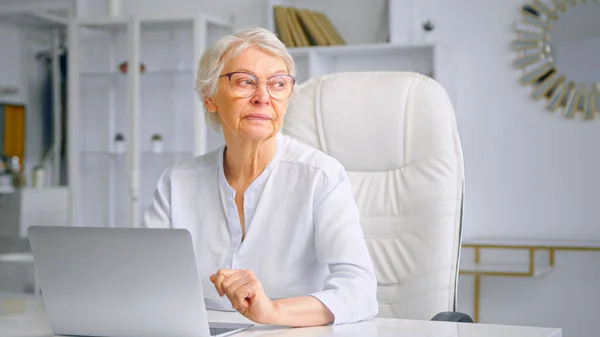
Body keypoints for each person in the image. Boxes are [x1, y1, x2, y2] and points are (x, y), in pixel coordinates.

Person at [144, 26, 378, 327]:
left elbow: (359, 291)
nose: (263, 97)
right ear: (210, 96)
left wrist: (274, 311)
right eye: (245, 82)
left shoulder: (321, 177)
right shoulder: (177, 182)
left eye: (278, 84)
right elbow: (146, 282)